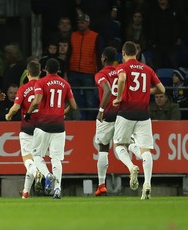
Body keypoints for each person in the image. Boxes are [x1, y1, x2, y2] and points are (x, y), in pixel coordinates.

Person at [112, 41, 166, 200]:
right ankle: (147, 184)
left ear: (123, 54)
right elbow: (162, 90)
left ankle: (131, 167)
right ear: (136, 53)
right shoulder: (147, 69)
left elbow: (121, 79)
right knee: (146, 150)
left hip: (126, 112)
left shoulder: (122, 67)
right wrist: (145, 91)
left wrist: (119, 97)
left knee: (119, 145)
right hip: (143, 115)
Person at [25, 58, 77, 199]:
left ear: (45, 69)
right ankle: (58, 189)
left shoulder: (40, 82)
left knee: (36, 155)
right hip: (59, 126)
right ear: (58, 69)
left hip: (43, 124)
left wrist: (28, 113)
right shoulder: (65, 84)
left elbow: (36, 101)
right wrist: (62, 113)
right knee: (56, 159)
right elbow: (73, 106)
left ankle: (47, 175)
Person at [5, 60, 43, 199]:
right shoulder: (43, 86)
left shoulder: (23, 88)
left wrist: (8, 115)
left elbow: (15, 107)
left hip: (27, 127)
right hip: (42, 128)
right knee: (35, 159)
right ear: (39, 73)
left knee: (27, 159)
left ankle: (38, 173)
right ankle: (25, 192)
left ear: (27, 73)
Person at [94, 46, 119, 196]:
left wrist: (101, 111)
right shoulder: (121, 72)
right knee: (130, 145)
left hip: (107, 115)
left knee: (103, 148)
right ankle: (139, 173)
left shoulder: (100, 74)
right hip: (122, 114)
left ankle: (102, 184)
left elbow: (108, 91)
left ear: (103, 59)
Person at [68, 13, 102, 120]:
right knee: (75, 100)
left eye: (82, 22)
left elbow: (98, 55)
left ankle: (91, 121)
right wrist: (66, 71)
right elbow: (69, 53)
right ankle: (78, 121)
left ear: (88, 23)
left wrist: (99, 72)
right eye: (78, 22)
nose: (80, 24)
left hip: (89, 72)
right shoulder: (73, 35)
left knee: (90, 100)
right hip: (73, 71)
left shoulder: (95, 36)